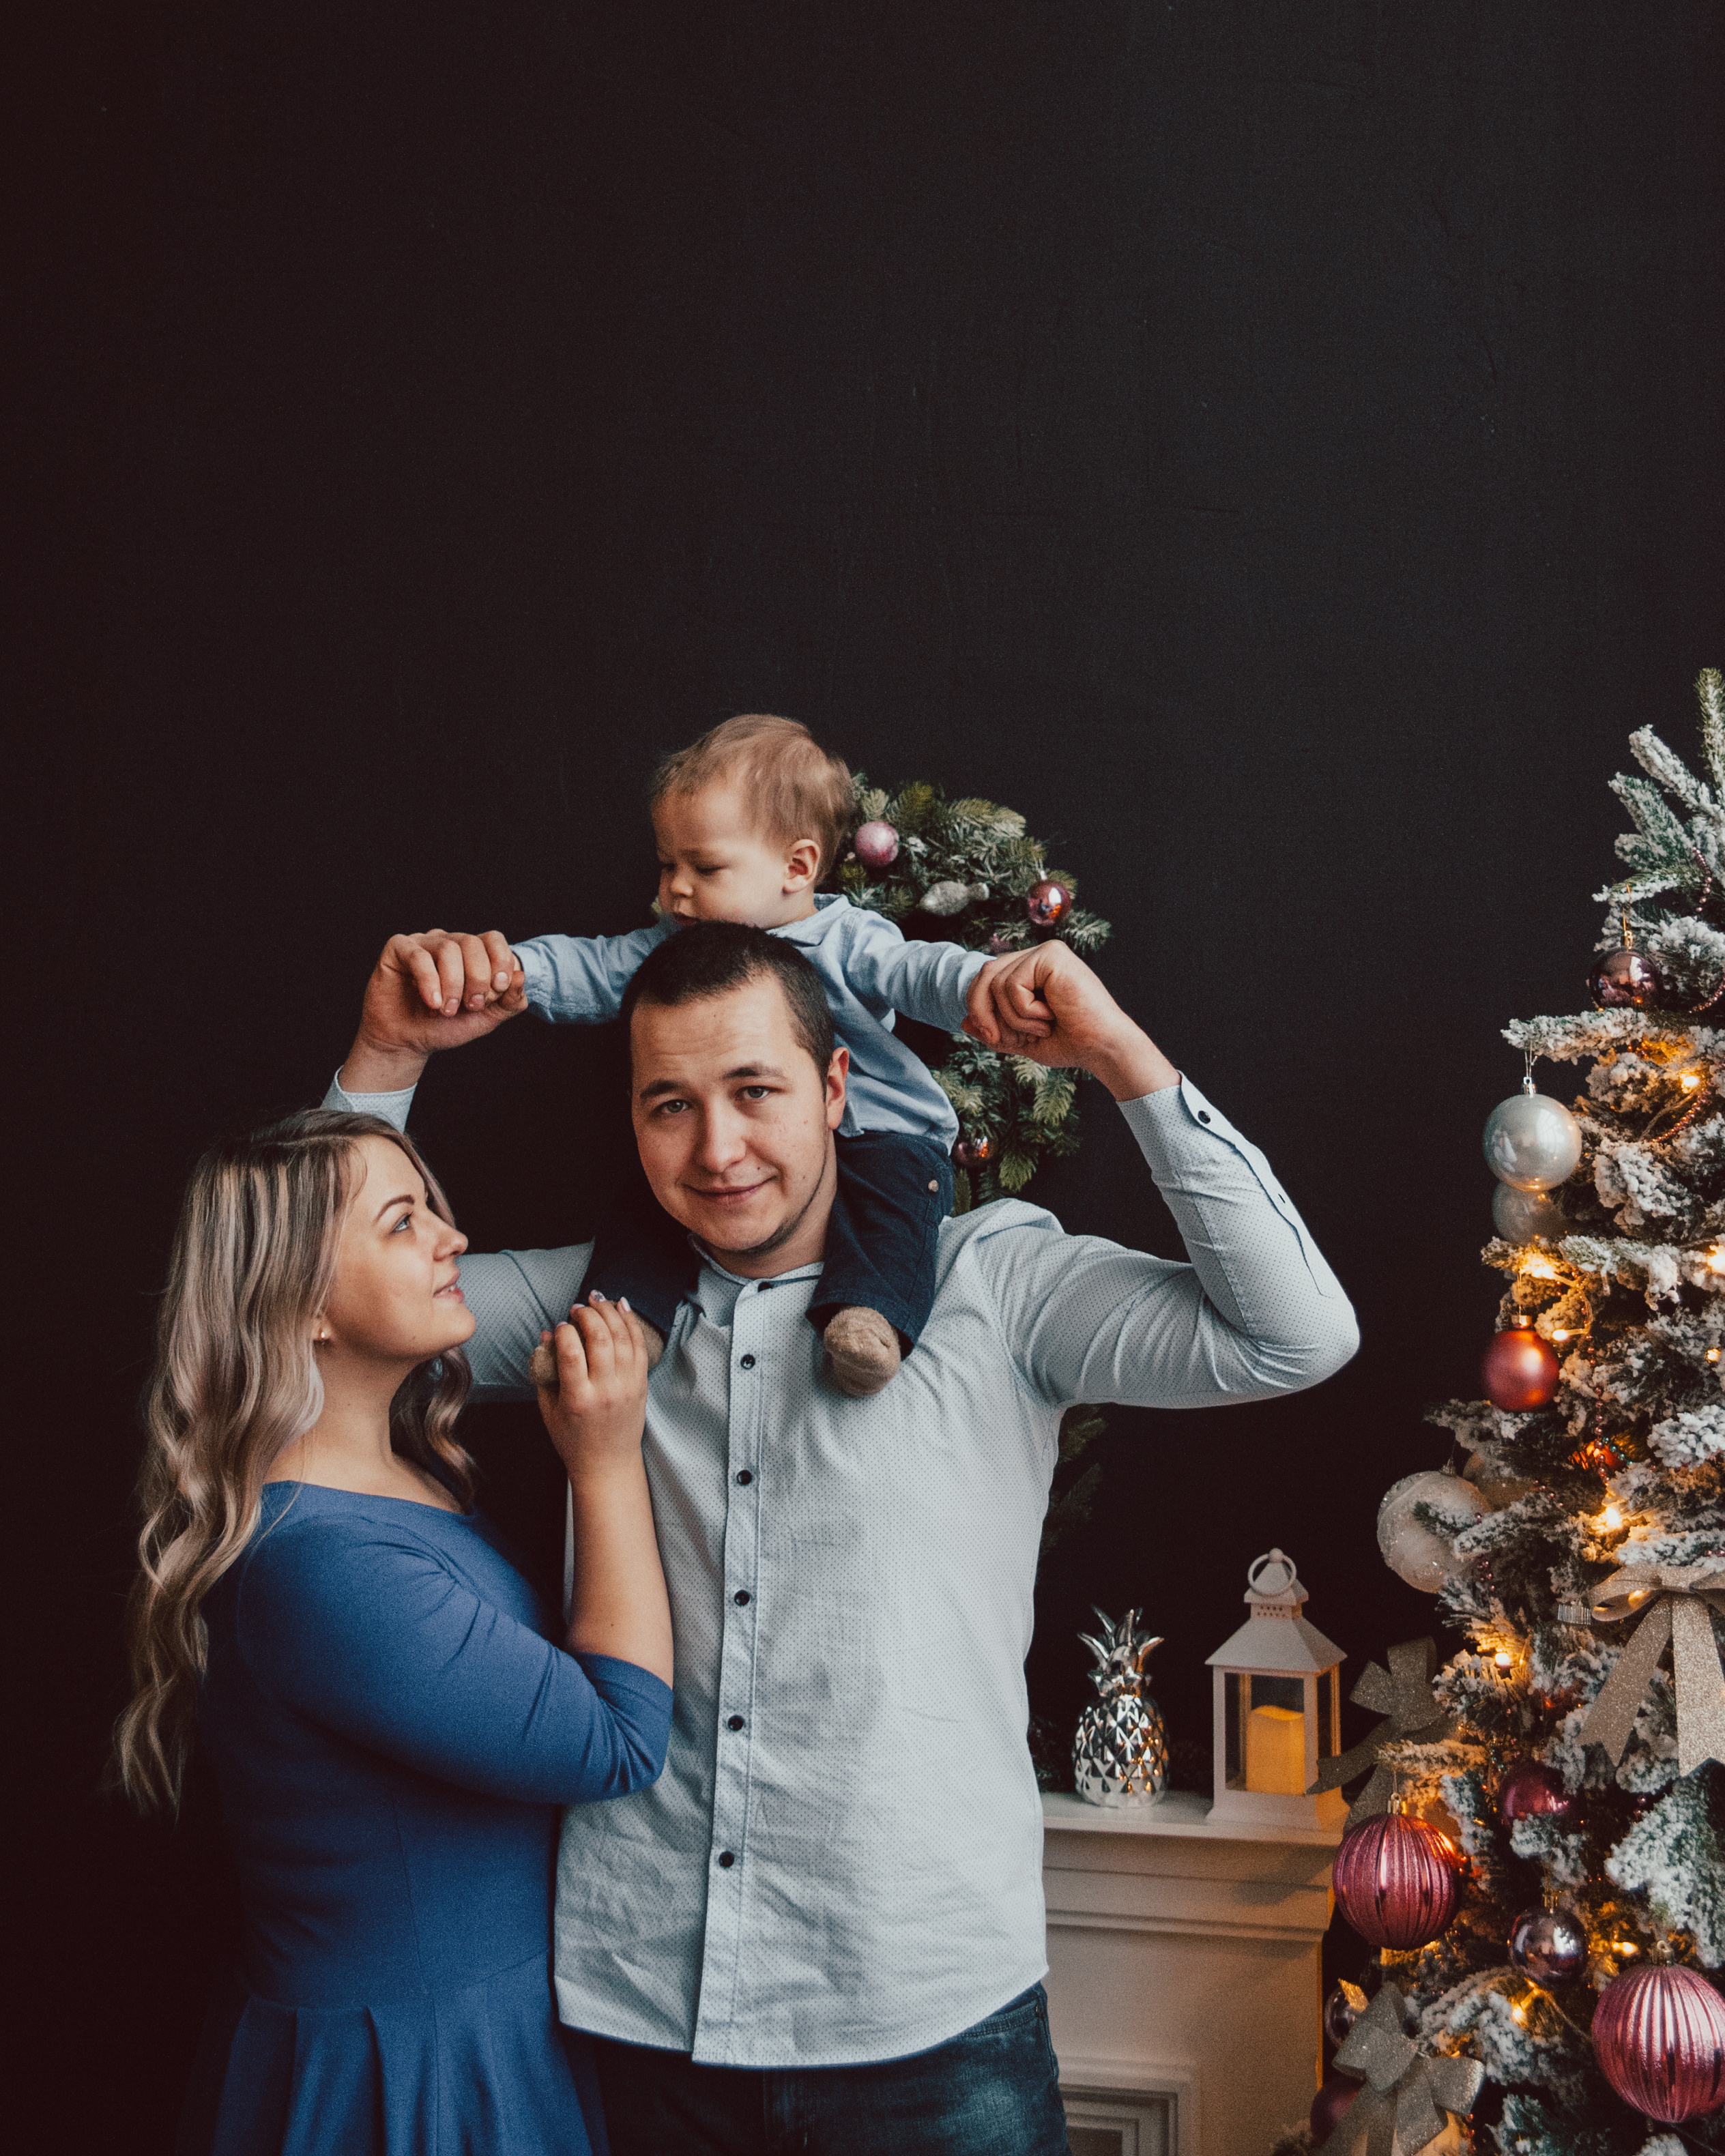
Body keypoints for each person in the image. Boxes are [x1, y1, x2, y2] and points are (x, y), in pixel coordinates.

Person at [325, 921, 1361, 2155]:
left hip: (930, 2030)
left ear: (834, 1089)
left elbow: (1294, 1336)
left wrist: (1117, 1055)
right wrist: (386, 1056)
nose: (718, 1150)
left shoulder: (996, 1284)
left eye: (755, 1092)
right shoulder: (595, 1309)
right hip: (639, 2017)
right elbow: (308, 1295)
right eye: (670, 1107)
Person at [113, 1109, 674, 2156]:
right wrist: (606, 1459)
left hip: (485, 2032)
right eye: (404, 1221)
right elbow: (618, 1741)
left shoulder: (396, 1482)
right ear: (304, 1303)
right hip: (413, 2075)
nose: (453, 1238)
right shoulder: (323, 1566)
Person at [386, 712, 1046, 1396]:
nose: (675, 889)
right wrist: (514, 972)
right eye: (667, 865)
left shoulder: (847, 938)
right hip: (743, 1193)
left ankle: (869, 1317)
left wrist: (982, 983)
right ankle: (623, 1324)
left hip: (881, 1131)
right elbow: (595, 966)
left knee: (896, 1206)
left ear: (797, 867)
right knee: (645, 1214)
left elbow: (917, 972)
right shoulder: (673, 948)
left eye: (704, 867)